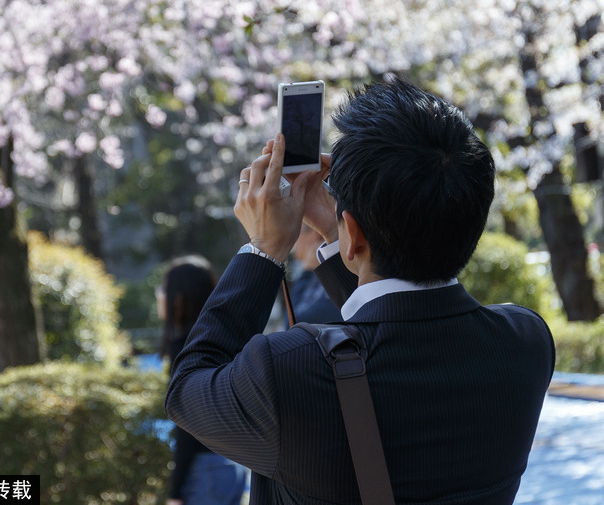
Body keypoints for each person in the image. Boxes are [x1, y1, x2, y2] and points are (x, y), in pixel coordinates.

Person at [165, 79, 554, 504]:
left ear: (353, 231)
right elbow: (398, 322)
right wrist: (343, 233)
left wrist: (264, 248)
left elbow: (188, 389)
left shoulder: (289, 373)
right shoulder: (525, 342)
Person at [157, 255, 248, 505]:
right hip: (233, 463)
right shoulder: (221, 339)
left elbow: (188, 427)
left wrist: (175, 491)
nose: (159, 295)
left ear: (179, 297)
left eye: (163, 289)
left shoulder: (185, 347)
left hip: (205, 469)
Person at [286, 220, 341, 325]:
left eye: (295, 234)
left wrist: (307, 273)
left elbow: (292, 323)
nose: (293, 243)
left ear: (315, 233)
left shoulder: (328, 272)